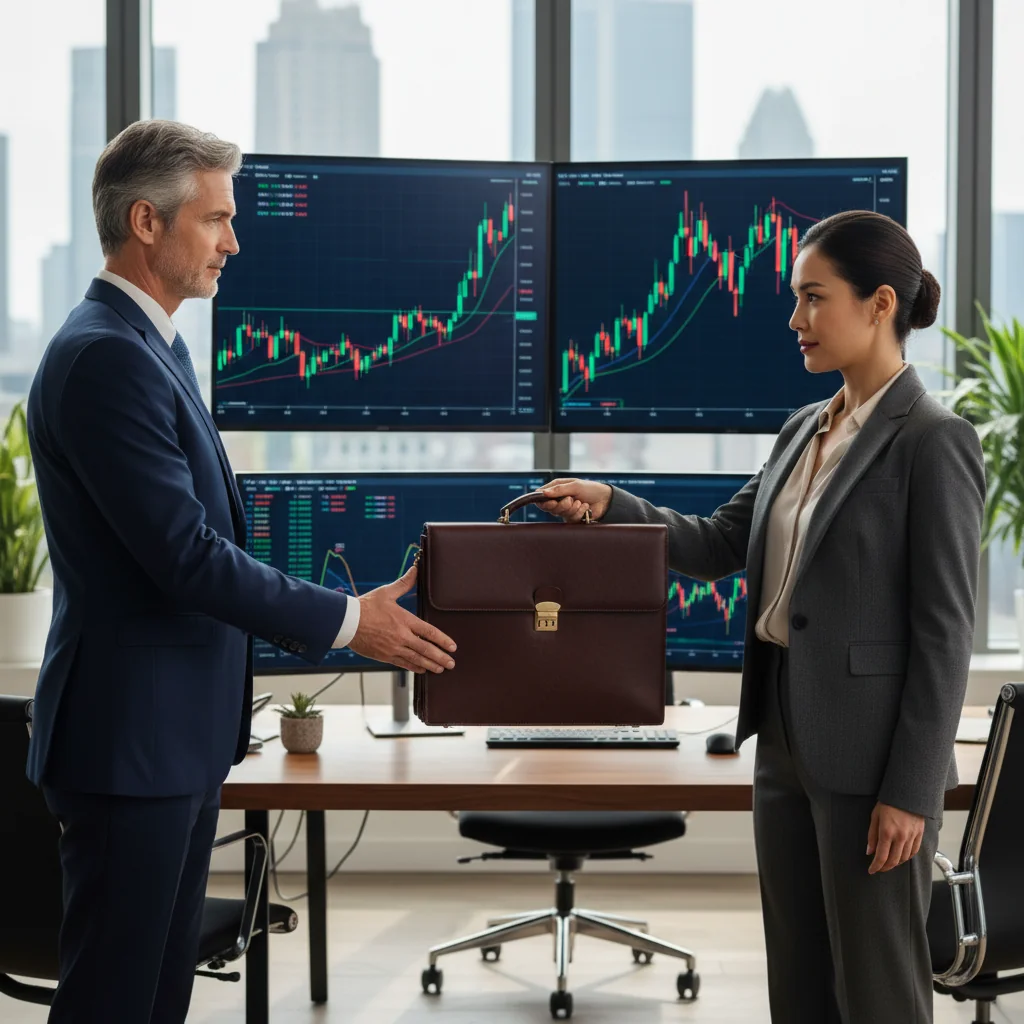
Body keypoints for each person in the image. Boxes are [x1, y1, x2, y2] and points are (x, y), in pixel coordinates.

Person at [25, 119, 458, 1024]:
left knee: (155, 1000)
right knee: (113, 1002)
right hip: (131, 745)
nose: (233, 241)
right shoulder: (106, 357)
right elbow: (185, 556)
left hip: (169, 741)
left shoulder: (153, 347)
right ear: (147, 222)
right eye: (216, 218)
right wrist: (350, 621)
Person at [540, 210, 985, 1024]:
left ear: (880, 304)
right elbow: (718, 543)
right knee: (799, 980)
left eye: (814, 297)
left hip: (871, 760)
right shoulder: (802, 430)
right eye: (795, 298)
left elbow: (944, 632)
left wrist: (913, 792)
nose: (795, 319)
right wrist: (611, 502)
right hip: (782, 737)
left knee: (879, 990)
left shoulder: (933, 439)